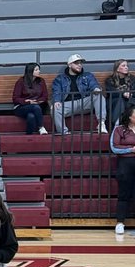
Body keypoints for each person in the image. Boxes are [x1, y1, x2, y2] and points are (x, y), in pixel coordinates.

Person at [51, 54, 106, 135]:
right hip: (69, 104)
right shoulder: (60, 78)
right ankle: (63, 132)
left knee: (98, 96)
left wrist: (96, 89)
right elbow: (56, 91)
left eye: (80, 63)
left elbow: (93, 84)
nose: (79, 65)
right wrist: (56, 101)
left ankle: (101, 124)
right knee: (55, 108)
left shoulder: (88, 75)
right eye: (76, 63)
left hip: (84, 102)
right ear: (69, 65)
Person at [111, 105, 135, 235]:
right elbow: (114, 147)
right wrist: (130, 149)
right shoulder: (120, 129)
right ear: (130, 117)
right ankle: (120, 222)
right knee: (124, 193)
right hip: (126, 163)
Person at [12, 63, 50, 135]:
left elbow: (45, 96)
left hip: (38, 105)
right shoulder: (21, 82)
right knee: (35, 107)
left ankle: (29, 136)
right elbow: (15, 99)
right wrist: (27, 101)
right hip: (22, 107)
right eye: (36, 70)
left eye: (39, 69)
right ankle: (41, 127)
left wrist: (37, 101)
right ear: (30, 71)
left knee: (31, 116)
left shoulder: (41, 81)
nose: (39, 71)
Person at [106, 59, 135, 127]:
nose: (126, 67)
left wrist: (130, 94)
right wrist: (123, 94)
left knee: (128, 102)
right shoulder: (110, 80)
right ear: (117, 69)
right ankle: (117, 124)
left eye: (127, 66)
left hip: (130, 101)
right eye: (123, 66)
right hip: (114, 102)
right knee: (120, 101)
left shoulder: (132, 79)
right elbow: (111, 92)